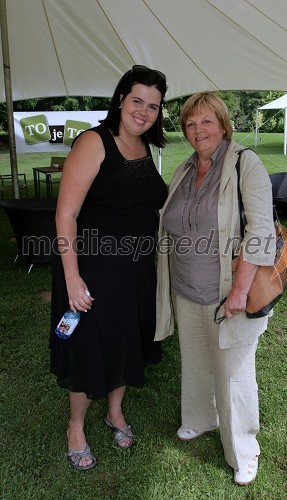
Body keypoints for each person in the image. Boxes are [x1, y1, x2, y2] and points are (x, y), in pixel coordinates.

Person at [50, 65, 168, 470]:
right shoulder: (94, 142)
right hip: (94, 269)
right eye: (137, 100)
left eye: (153, 105)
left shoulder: (146, 149)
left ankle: (114, 411)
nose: (144, 111)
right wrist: (71, 277)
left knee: (126, 339)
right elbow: (65, 214)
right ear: (120, 99)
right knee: (87, 345)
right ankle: (76, 425)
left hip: (136, 271)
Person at [155, 92, 275, 485]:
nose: (197, 130)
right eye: (190, 124)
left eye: (206, 121)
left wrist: (241, 291)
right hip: (187, 289)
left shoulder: (245, 163)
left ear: (223, 125)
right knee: (196, 359)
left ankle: (244, 449)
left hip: (228, 291)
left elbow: (259, 232)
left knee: (234, 372)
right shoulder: (186, 169)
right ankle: (200, 418)